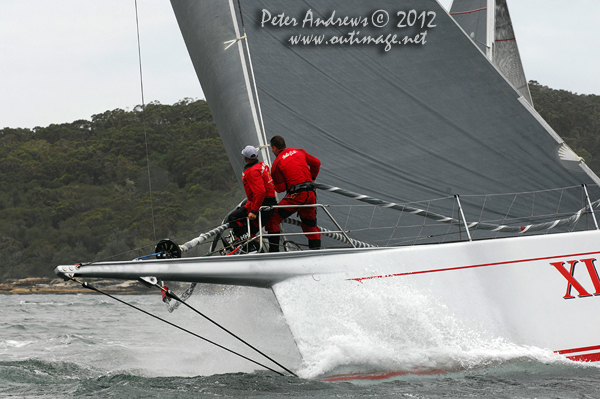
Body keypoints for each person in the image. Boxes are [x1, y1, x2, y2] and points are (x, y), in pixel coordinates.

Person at [266, 135, 322, 250]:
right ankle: (316, 253)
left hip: (296, 196)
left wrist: (270, 183)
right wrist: (312, 177)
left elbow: (281, 188)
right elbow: (316, 163)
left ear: (275, 148)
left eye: (272, 149)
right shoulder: (299, 151)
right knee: (310, 225)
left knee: (272, 219)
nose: (272, 151)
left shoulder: (277, 163)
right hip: (311, 194)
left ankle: (274, 253)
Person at [226, 145, 277, 252]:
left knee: (233, 218)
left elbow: (260, 191)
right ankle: (251, 241)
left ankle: (252, 246)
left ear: (245, 158)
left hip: (262, 204)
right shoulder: (262, 165)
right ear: (257, 156)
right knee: (236, 217)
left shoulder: (252, 171)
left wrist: (254, 211)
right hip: (267, 202)